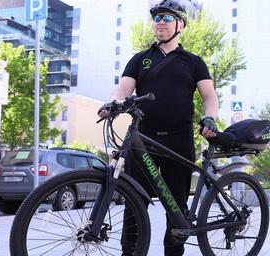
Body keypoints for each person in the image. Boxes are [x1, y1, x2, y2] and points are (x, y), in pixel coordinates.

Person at [99, 0, 219, 255]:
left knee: (176, 205)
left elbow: (209, 96)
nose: (160, 23)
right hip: (142, 139)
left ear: (181, 25)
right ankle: (130, 252)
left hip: (179, 139)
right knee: (134, 201)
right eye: (157, 18)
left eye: (167, 18)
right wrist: (112, 104)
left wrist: (210, 117)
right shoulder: (140, 59)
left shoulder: (193, 61)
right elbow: (123, 89)